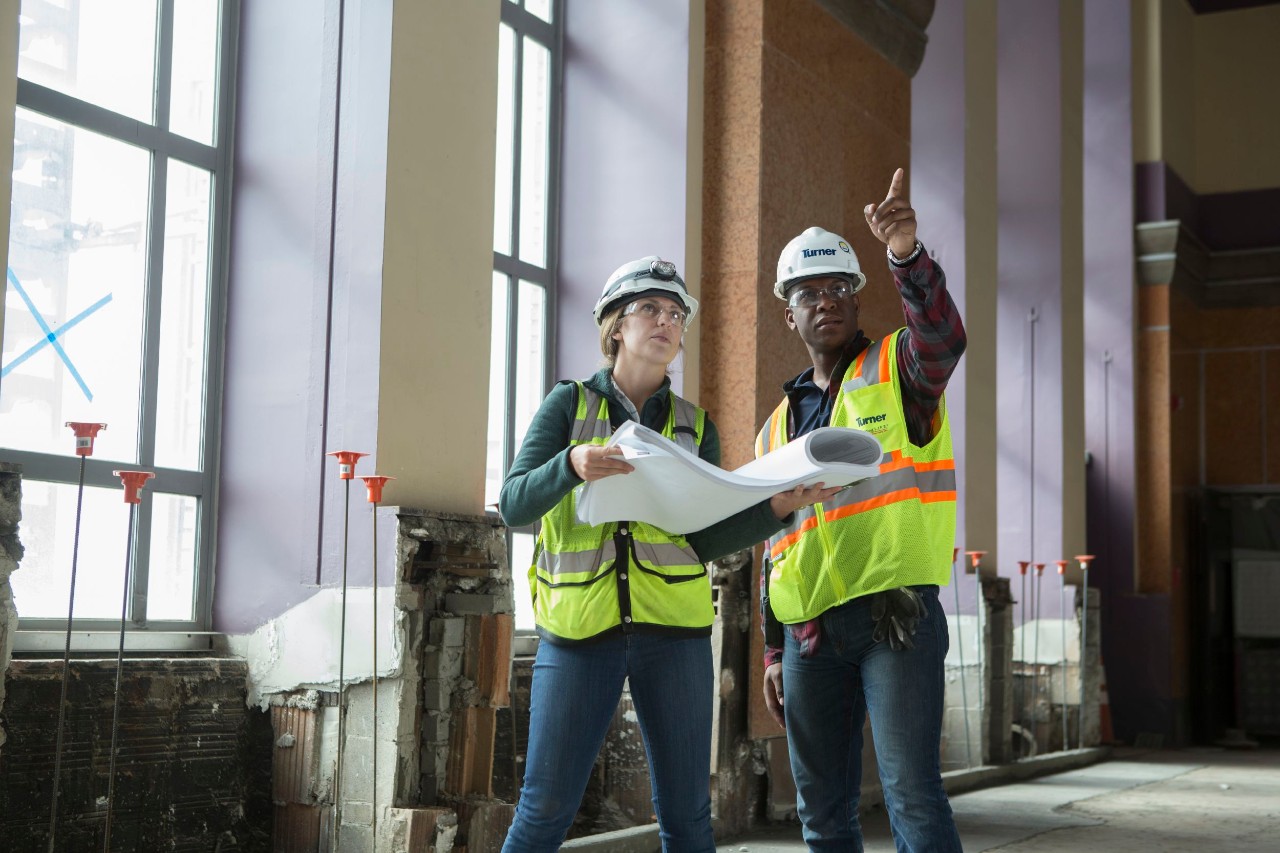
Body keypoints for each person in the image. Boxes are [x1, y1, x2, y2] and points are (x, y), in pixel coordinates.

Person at [500, 255, 839, 853]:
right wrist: (571, 465)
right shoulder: (568, 406)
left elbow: (702, 540)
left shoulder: (693, 426)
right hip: (577, 635)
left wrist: (776, 508)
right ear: (615, 326)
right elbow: (514, 505)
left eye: (676, 314)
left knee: (687, 817)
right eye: (650, 308)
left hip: (676, 637)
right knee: (545, 809)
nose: (666, 321)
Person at [756, 168, 967, 852]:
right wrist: (771, 647)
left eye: (840, 288)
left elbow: (942, 339)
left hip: (893, 616)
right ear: (789, 313)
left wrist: (906, 255)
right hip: (809, 635)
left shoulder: (896, 368)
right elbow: (775, 542)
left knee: (911, 795)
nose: (827, 301)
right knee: (822, 815)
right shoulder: (774, 427)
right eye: (809, 293)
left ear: (855, 299)